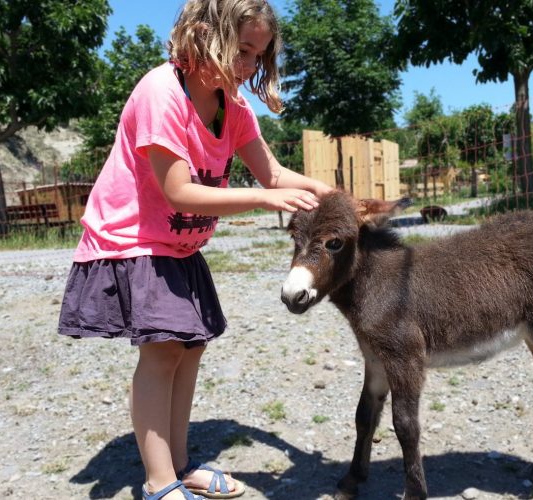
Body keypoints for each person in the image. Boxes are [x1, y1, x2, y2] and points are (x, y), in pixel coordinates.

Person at [57, 1, 332, 499]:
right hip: (133, 239)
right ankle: (159, 482)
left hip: (180, 246)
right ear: (204, 33)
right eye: (243, 50)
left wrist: (331, 194)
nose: (249, 66)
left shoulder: (234, 104)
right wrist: (263, 198)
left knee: (190, 348)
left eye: (258, 55)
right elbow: (178, 192)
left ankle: (179, 465)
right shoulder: (161, 91)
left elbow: (272, 173)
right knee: (161, 354)